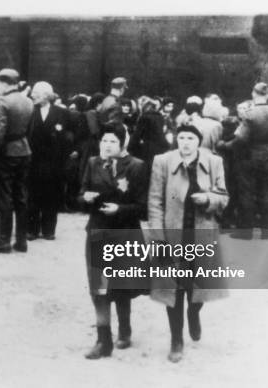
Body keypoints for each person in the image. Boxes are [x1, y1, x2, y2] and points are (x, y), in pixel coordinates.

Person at [149, 124, 228, 363]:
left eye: (190, 138)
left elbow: (224, 196)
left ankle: (194, 313)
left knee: (199, 288)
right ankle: (176, 339)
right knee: (174, 289)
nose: (185, 142)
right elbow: (155, 201)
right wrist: (159, 237)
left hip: (202, 233)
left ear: (199, 141)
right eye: (181, 137)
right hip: (174, 235)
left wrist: (207, 198)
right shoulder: (162, 161)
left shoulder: (214, 162)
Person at [80, 124, 149, 359]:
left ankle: (125, 329)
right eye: (103, 141)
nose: (106, 146)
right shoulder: (92, 163)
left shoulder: (136, 166)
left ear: (122, 144)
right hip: (98, 230)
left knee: (121, 286)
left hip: (124, 232)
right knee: (98, 286)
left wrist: (119, 209)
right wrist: (85, 198)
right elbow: (80, 194)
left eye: (112, 141)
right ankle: (103, 339)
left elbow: (143, 207)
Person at [0, 69, 34, 253]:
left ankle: (3, 241)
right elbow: (29, 129)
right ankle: (21, 240)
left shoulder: (3, 101)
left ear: (2, 82)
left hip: (7, 153)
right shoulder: (28, 101)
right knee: (21, 196)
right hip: (24, 150)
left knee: (4, 197)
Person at [220, 83, 268, 239]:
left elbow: (240, 140)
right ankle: (266, 231)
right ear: (267, 95)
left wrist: (224, 145)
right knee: (266, 194)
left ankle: (246, 232)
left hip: (250, 158)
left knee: (246, 193)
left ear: (254, 94)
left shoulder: (250, 114)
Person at [27, 81, 73, 240]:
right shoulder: (30, 111)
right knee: (32, 195)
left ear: (47, 95)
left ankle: (48, 230)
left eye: (36, 93)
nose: (32, 95)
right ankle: (31, 229)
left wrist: (64, 156)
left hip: (54, 164)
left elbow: (70, 136)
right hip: (33, 162)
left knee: (51, 196)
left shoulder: (62, 113)